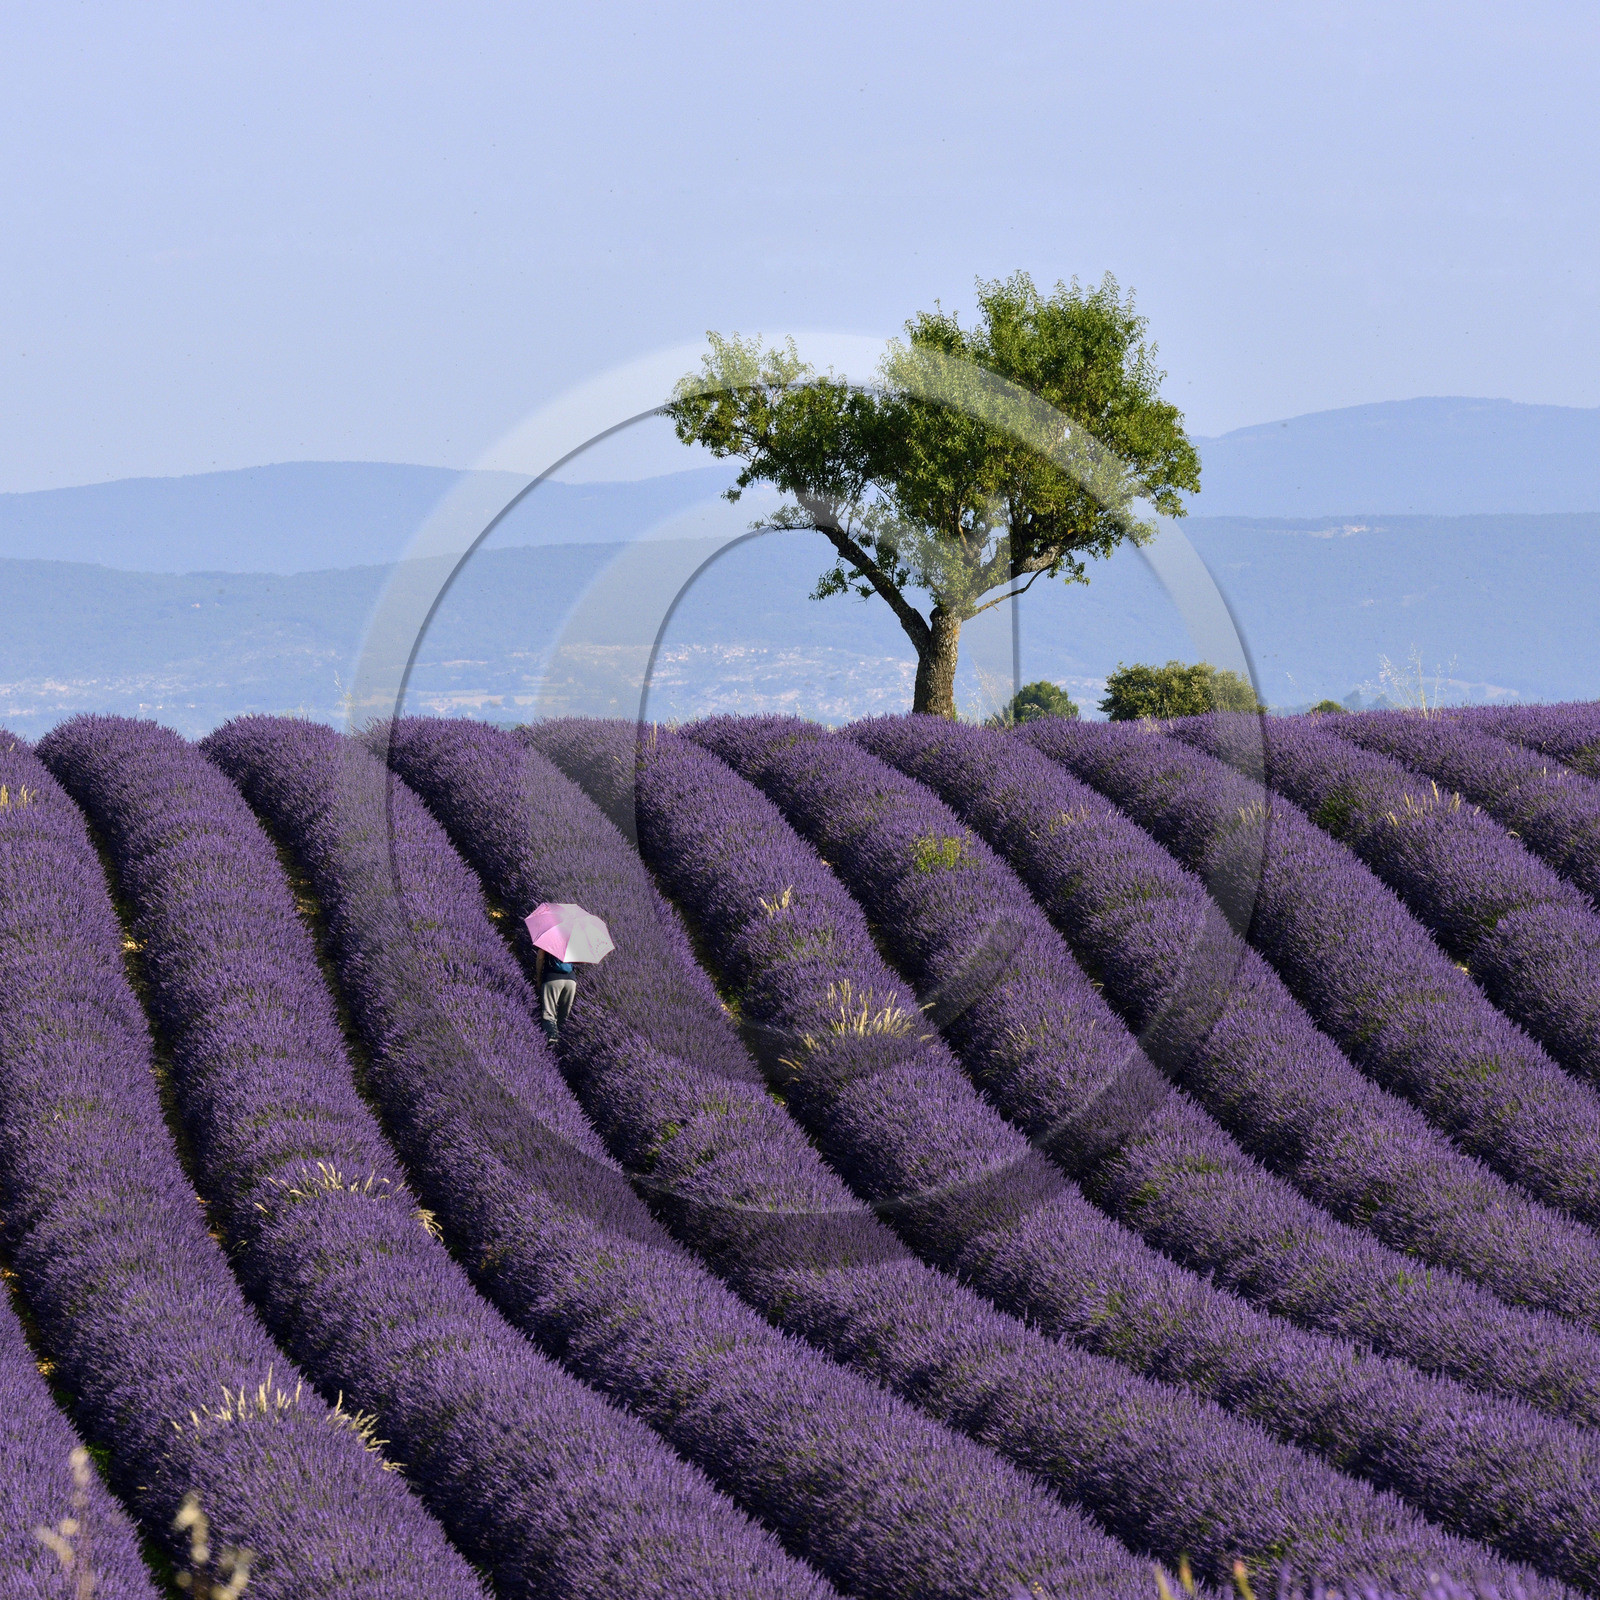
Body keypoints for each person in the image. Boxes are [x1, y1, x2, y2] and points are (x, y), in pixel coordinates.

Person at [533, 945, 578, 1043]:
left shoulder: (549, 939)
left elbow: (540, 958)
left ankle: (552, 1041)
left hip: (552, 978)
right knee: (565, 1015)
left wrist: (539, 978)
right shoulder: (573, 941)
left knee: (549, 1013)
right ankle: (563, 1044)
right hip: (571, 981)